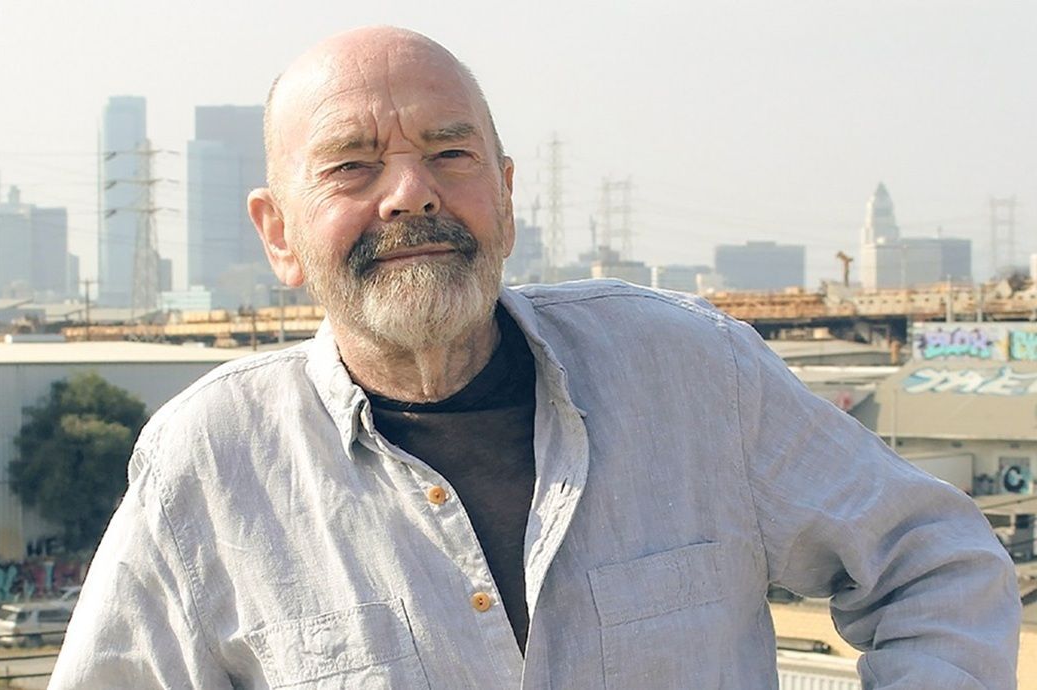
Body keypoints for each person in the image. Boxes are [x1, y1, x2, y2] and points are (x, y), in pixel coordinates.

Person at [51, 26, 1020, 689]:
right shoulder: (211, 464)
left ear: (507, 198)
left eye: (450, 153)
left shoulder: (689, 373)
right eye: (352, 165)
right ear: (278, 233)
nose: (410, 193)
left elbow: (935, 565)